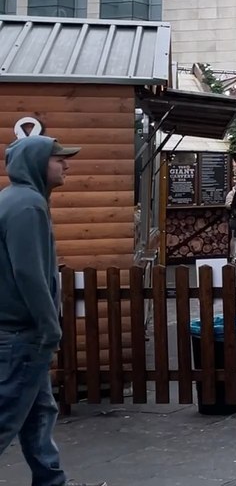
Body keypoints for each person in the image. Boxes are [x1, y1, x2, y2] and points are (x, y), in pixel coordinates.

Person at [0, 136, 105, 486]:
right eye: (58, 159)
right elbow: (28, 273)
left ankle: (51, 480)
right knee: (7, 415)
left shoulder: (14, 200)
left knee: (39, 412)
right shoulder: (28, 205)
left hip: (19, 331)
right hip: (23, 333)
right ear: (36, 162)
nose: (67, 165)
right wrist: (50, 327)